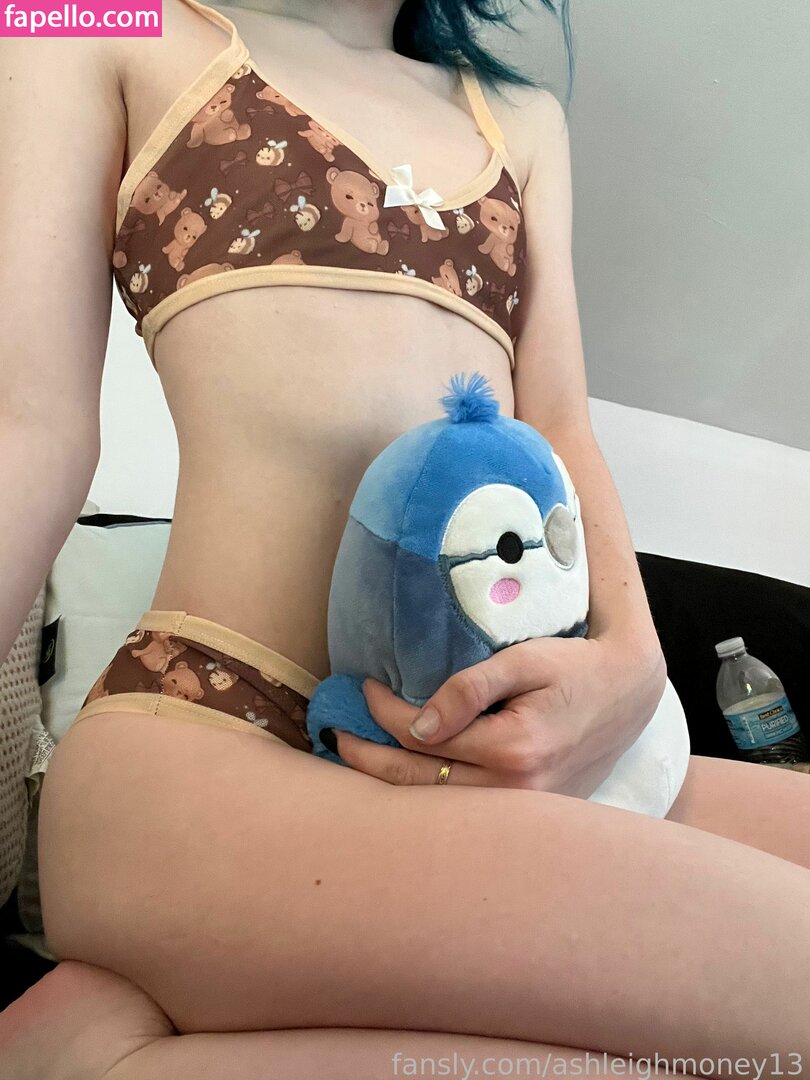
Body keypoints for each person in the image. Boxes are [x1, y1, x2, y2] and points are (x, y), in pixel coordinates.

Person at [1, 0, 808, 1075]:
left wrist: (632, 663)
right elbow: (28, 430)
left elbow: (559, 422)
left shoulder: (522, 118)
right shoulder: (87, 20)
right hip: (210, 736)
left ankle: (96, 1047)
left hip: (474, 747)